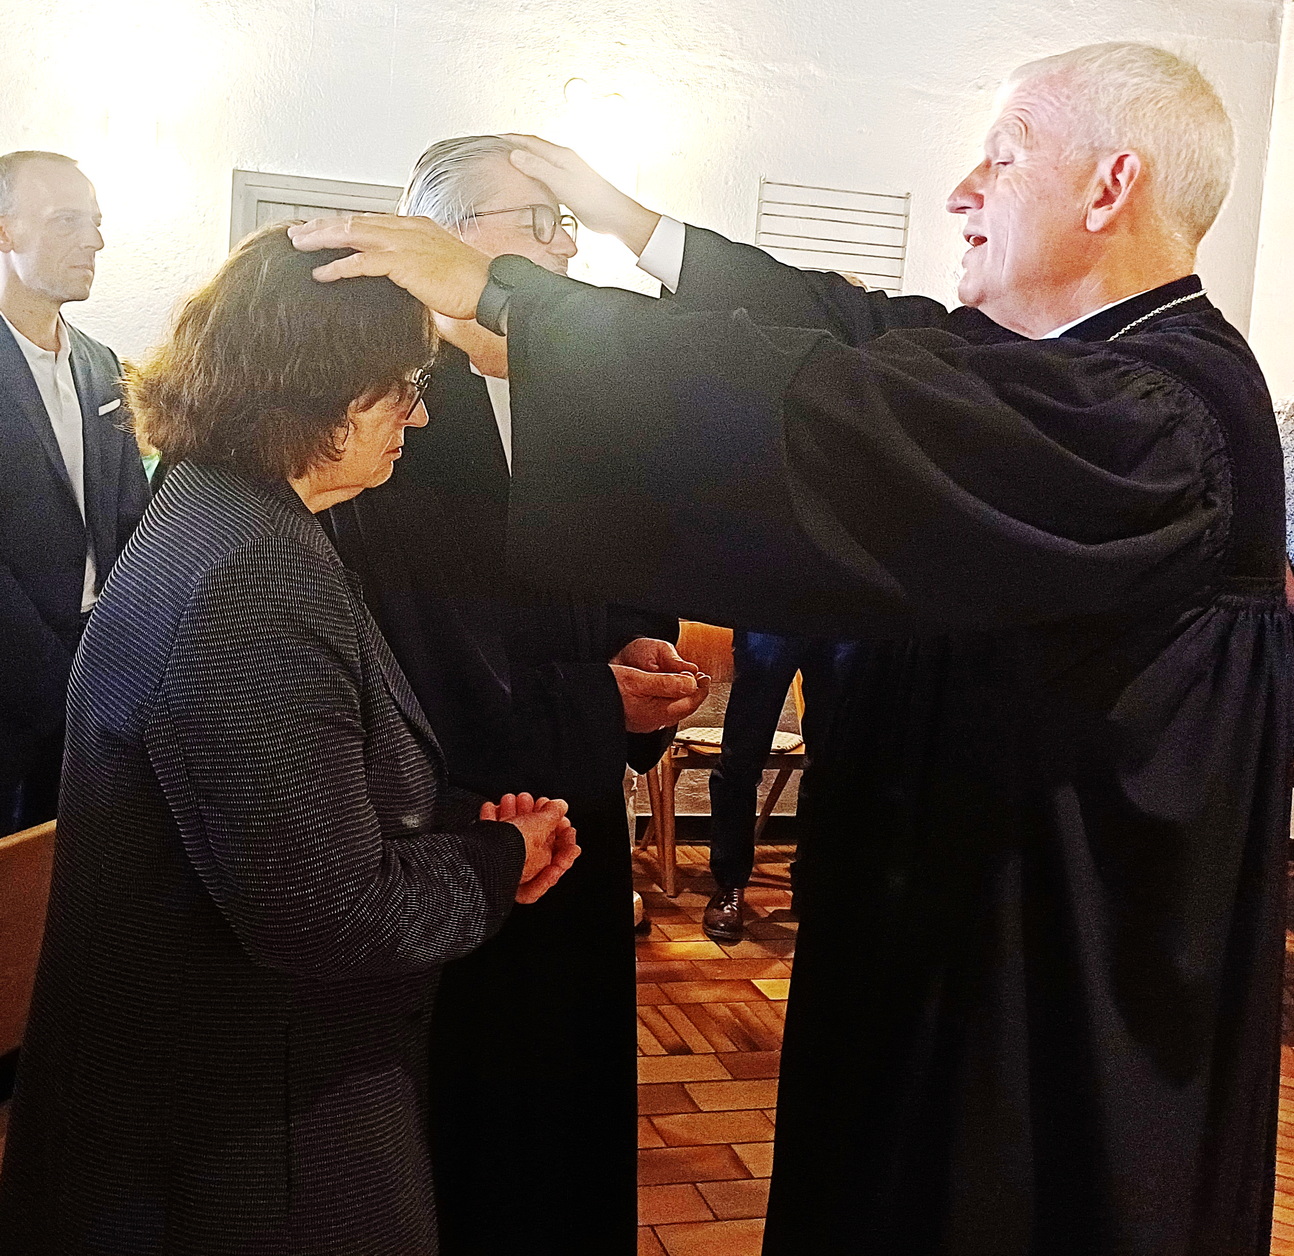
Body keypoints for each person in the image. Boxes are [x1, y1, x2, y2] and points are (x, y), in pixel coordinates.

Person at [293, 40, 1291, 1255]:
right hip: (957, 930)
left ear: (1108, 185)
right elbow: (861, 331)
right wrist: (635, 229)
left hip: (1048, 984)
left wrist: (521, 302)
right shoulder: (1078, 365)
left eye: (1001, 157)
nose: (961, 191)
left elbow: (834, 408)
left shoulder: (1157, 412)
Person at [0, 223, 578, 1255]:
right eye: (403, 385)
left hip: (187, 1093)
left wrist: (455, 824)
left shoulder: (219, 509)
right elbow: (325, 916)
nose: (419, 412)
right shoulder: (251, 576)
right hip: (240, 1143)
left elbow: (274, 786)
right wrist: (498, 858)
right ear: (322, 387)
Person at [324, 134, 707, 1256]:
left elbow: (627, 564)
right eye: (533, 224)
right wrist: (589, 701)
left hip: (575, 804)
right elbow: (404, 646)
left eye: (562, 224)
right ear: (440, 240)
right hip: (452, 824)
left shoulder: (576, 390)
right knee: (466, 1122)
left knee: (568, 1105)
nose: (563, 249)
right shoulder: (384, 407)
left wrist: (640, 647)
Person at [0, 150, 150, 835]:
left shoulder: (100, 363)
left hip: (102, 660)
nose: (94, 241)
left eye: (95, 222)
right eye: (67, 221)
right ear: (5, 231)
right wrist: (57, 684)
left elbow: (131, 517)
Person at [702, 630, 860, 941]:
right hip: (771, 612)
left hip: (842, 614)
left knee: (833, 763)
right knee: (741, 759)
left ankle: (812, 885)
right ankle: (729, 884)